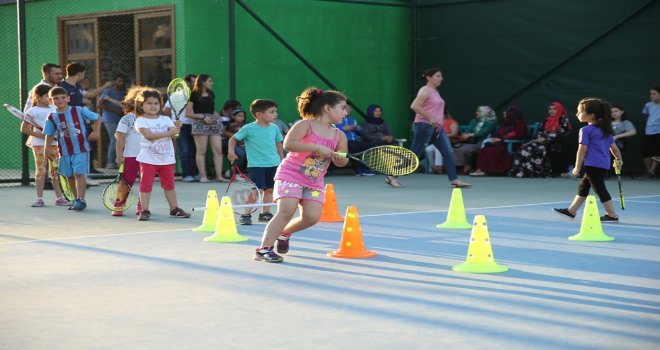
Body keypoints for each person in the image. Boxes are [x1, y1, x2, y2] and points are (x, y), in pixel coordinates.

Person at [253, 87, 349, 263]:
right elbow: (289, 144)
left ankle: (285, 232)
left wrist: (338, 158)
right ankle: (264, 249)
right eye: (342, 108)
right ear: (328, 108)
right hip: (290, 175)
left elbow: (342, 161)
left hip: (314, 182)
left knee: (312, 217)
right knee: (286, 210)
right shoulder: (305, 125)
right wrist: (318, 148)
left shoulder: (339, 136)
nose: (346, 112)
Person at [553, 97, 623, 222]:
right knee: (584, 187)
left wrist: (577, 167)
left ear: (591, 115)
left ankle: (612, 215)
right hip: (603, 165)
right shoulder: (605, 130)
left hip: (592, 165)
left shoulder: (585, 130)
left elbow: (582, 150)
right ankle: (571, 211)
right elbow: (615, 149)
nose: (577, 114)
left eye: (580, 112)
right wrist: (619, 160)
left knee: (600, 189)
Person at [133, 88, 190, 221]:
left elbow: (174, 135)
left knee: (169, 185)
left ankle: (174, 208)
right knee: (145, 185)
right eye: (149, 103)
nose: (153, 106)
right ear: (141, 105)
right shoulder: (140, 121)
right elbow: (148, 136)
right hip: (148, 159)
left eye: (156, 103)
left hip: (166, 159)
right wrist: (168, 133)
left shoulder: (166, 119)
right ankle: (145, 210)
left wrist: (177, 128)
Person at [410, 68, 471, 188]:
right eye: (438, 76)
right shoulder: (425, 90)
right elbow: (414, 106)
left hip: (437, 128)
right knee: (414, 154)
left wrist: (437, 121)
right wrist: (430, 117)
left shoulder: (435, 92)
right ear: (429, 78)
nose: (441, 78)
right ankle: (392, 176)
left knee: (447, 152)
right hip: (423, 126)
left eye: (441, 76)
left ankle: (454, 180)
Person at [43, 87, 101, 211]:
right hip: (64, 151)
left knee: (79, 173)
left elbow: (97, 117)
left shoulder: (78, 110)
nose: (60, 100)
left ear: (68, 98)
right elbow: (48, 134)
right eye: (56, 98)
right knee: (69, 175)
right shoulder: (52, 117)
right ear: (50, 100)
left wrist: (96, 131)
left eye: (63, 97)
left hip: (81, 149)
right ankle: (75, 199)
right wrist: (46, 149)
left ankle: (81, 199)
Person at [227, 99, 284, 226]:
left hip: (273, 164)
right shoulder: (248, 128)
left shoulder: (274, 128)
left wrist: (282, 159)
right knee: (257, 191)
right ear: (259, 114)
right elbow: (232, 139)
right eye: (272, 112)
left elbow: (278, 143)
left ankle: (265, 214)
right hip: (257, 165)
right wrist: (231, 152)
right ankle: (246, 214)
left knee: (269, 189)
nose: (276, 114)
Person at [20, 85, 69, 207]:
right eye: (47, 96)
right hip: (39, 145)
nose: (50, 98)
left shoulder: (55, 109)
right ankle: (39, 198)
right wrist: (43, 136)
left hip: (55, 145)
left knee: (56, 172)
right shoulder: (32, 111)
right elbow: (24, 129)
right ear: (38, 96)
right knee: (41, 170)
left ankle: (60, 198)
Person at [511, 102, 572, 178]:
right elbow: (540, 132)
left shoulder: (562, 119)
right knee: (523, 148)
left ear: (559, 110)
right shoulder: (546, 120)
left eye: (554, 109)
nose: (551, 111)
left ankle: (539, 172)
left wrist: (545, 139)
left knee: (538, 148)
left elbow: (561, 133)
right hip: (540, 142)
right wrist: (537, 139)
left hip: (554, 143)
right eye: (550, 109)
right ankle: (524, 172)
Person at [112, 85, 146, 217]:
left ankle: (142, 206)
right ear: (133, 102)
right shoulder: (127, 119)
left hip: (147, 157)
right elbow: (120, 139)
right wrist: (119, 156)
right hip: (131, 156)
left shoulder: (150, 119)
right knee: (126, 181)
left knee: (145, 182)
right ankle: (119, 204)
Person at [185, 74, 225, 183]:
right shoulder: (193, 95)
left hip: (213, 122)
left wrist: (218, 117)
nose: (212, 83)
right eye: (210, 81)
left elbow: (211, 110)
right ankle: (203, 176)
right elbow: (187, 113)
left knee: (218, 149)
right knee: (201, 150)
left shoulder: (211, 93)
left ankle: (219, 176)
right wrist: (203, 117)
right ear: (203, 82)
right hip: (199, 123)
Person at [470, 105, 527, 176]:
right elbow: (499, 133)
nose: (504, 112)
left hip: (511, 144)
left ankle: (489, 171)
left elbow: (518, 135)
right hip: (501, 142)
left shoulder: (519, 123)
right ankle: (480, 169)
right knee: (485, 149)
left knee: (492, 150)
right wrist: (495, 138)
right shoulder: (505, 122)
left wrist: (502, 138)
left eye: (506, 111)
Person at [452, 105, 498, 174]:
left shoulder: (491, 122)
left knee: (464, 149)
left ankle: (466, 167)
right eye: (477, 111)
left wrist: (470, 135)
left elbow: (483, 133)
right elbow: (468, 130)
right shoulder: (474, 121)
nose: (476, 113)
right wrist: (465, 135)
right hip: (471, 141)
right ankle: (462, 166)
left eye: (479, 111)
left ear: (485, 113)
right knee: (455, 147)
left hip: (483, 142)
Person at [359, 104, 397, 182]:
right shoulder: (365, 124)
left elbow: (390, 132)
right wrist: (381, 138)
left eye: (380, 111)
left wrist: (390, 137)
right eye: (376, 111)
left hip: (386, 142)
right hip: (373, 142)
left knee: (395, 146)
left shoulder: (384, 123)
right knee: (377, 144)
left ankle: (394, 168)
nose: (378, 112)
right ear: (371, 112)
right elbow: (366, 136)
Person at [97, 73, 127, 169]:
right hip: (110, 119)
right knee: (115, 139)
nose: (121, 83)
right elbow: (99, 104)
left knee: (121, 139)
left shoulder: (123, 92)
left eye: (122, 81)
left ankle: (119, 162)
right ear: (115, 82)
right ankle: (110, 163)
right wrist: (115, 111)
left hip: (120, 119)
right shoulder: (108, 91)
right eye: (119, 81)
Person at [336, 105, 373, 176]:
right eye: (346, 108)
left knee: (368, 146)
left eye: (350, 109)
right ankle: (360, 168)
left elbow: (362, 133)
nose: (349, 110)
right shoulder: (336, 120)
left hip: (356, 141)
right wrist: (344, 128)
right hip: (344, 142)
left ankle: (362, 168)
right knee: (352, 147)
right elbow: (332, 131)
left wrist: (358, 129)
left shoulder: (353, 120)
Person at [641, 86, 660, 179]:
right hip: (649, 131)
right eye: (651, 94)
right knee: (645, 152)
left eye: (654, 94)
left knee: (656, 153)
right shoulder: (648, 105)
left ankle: (651, 172)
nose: (652, 96)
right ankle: (649, 172)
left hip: (659, 132)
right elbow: (645, 115)